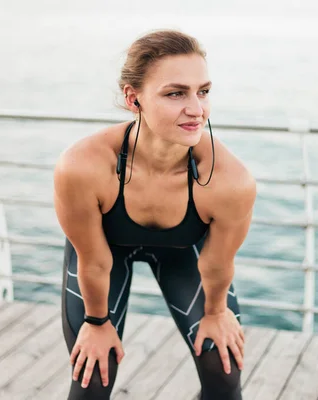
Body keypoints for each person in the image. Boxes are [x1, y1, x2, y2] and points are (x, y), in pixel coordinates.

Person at [54, 29, 256, 400]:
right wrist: (97, 323)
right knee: (93, 380)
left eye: (204, 91)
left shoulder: (231, 181)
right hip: (104, 255)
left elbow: (216, 264)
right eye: (175, 93)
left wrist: (215, 314)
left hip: (185, 256)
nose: (197, 109)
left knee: (223, 372)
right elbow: (95, 261)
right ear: (134, 98)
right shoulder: (82, 167)